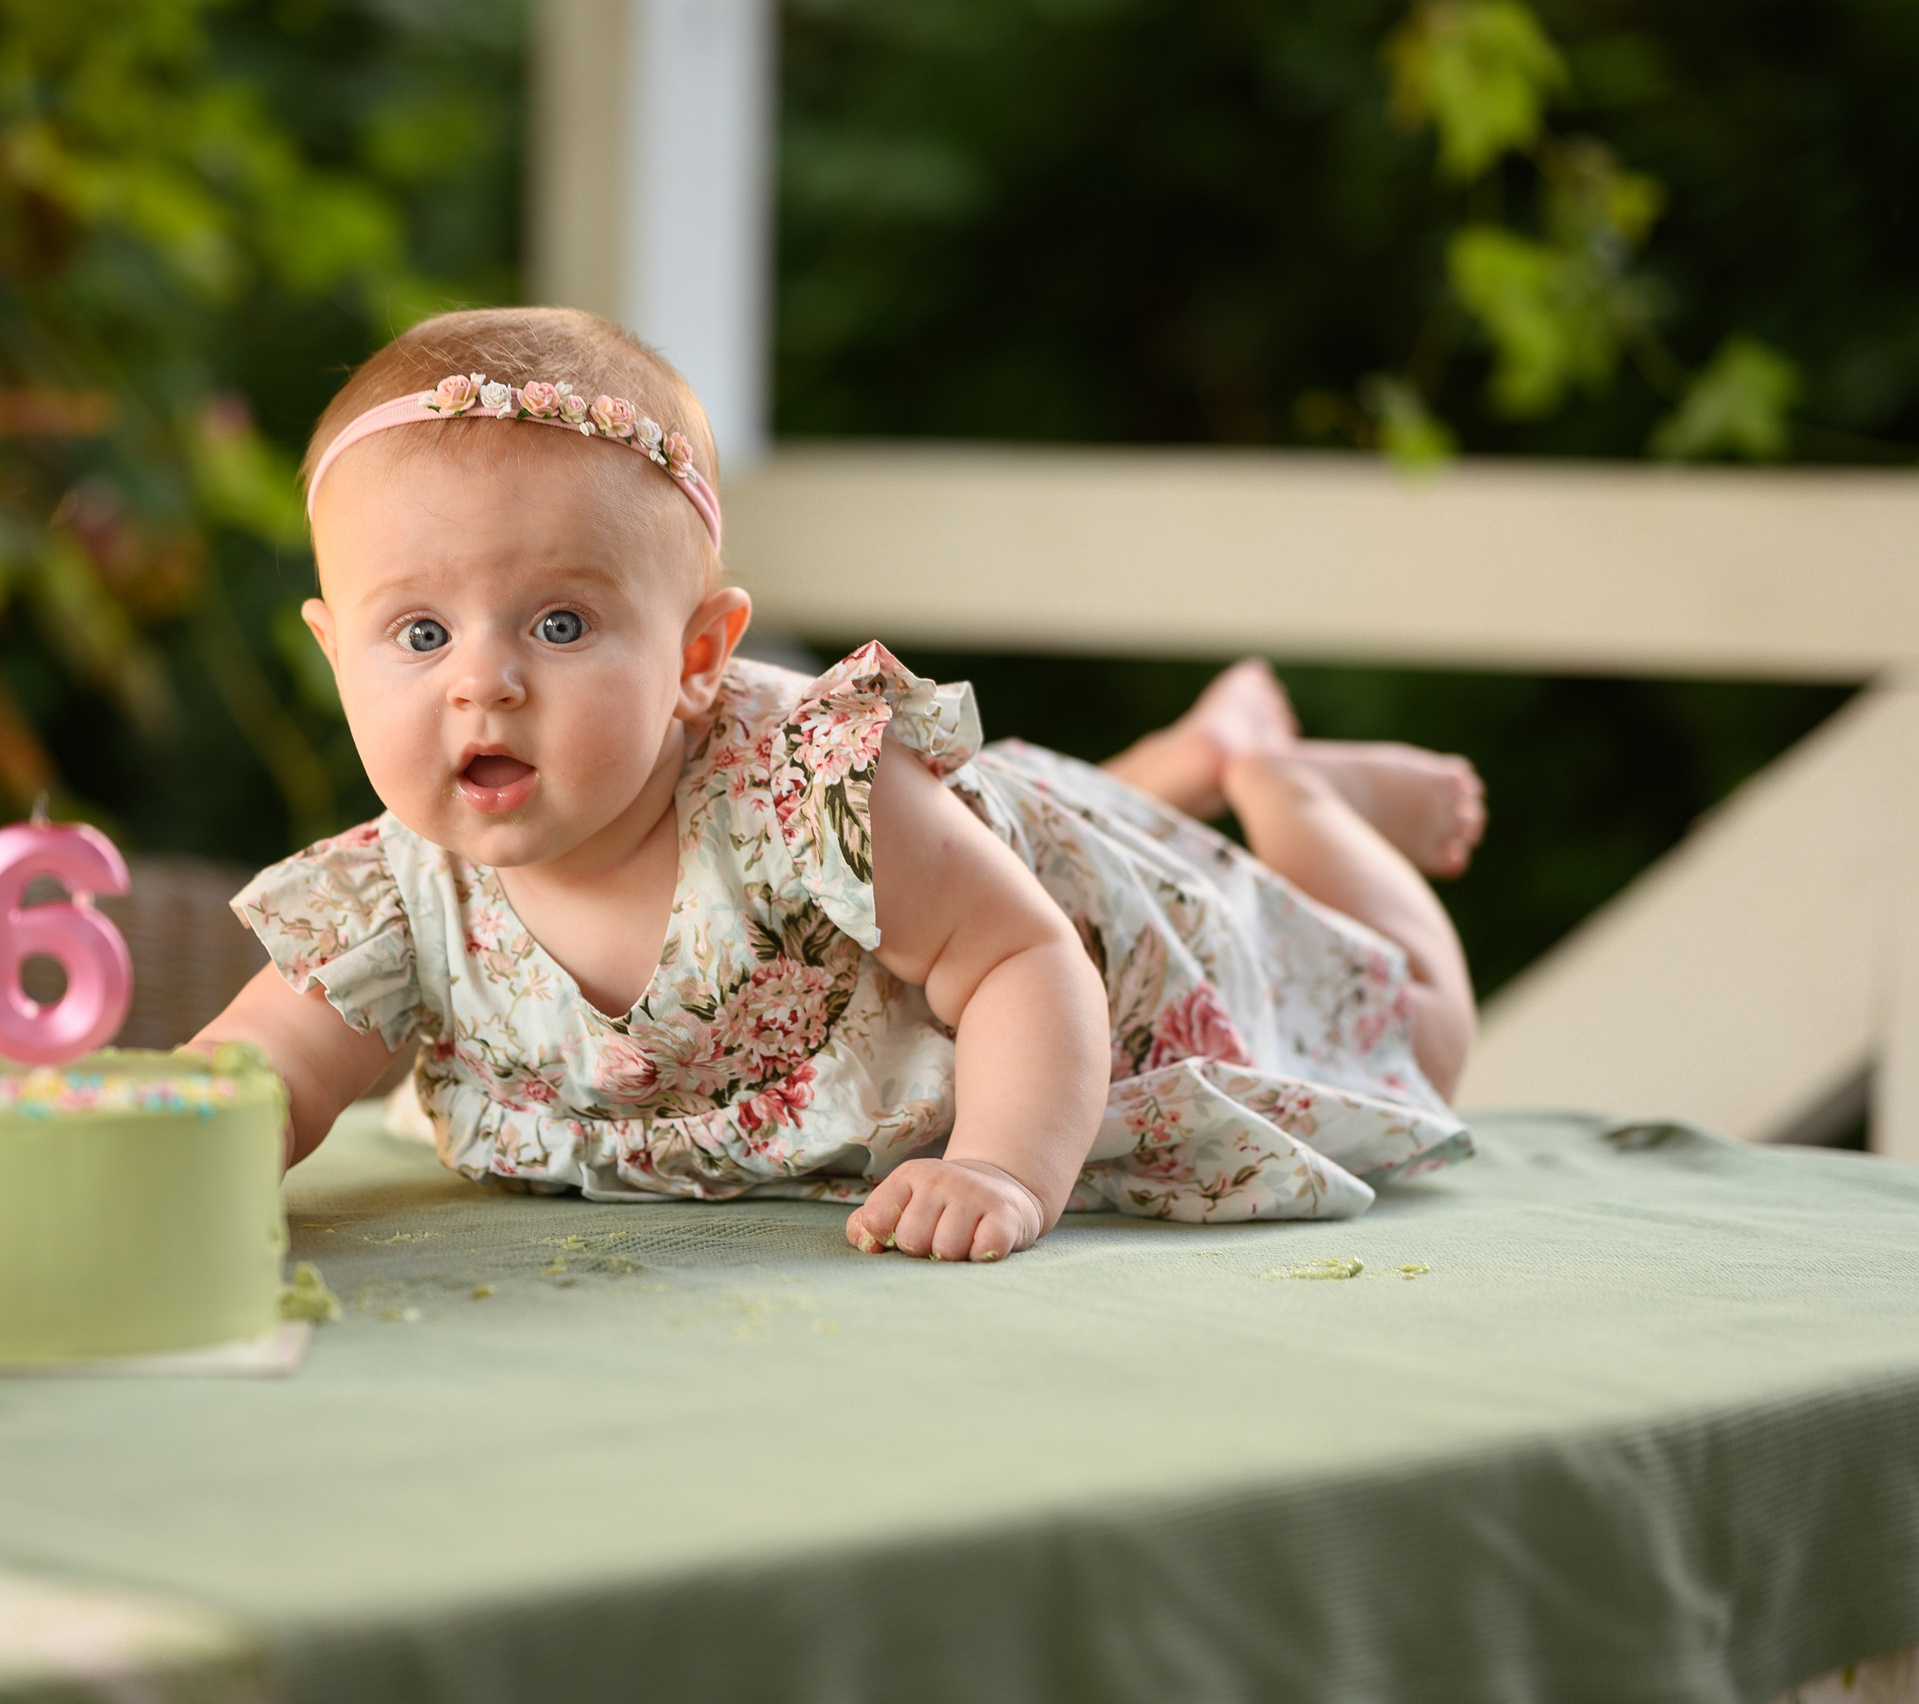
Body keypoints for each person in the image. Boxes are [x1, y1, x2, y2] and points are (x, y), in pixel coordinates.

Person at [192, 306, 1485, 1262]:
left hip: (1085, 936)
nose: (484, 686)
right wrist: (159, 1164)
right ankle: (1192, 757)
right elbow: (266, 1067)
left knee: (1421, 1032)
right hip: (968, 855)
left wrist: (1001, 1167)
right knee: (1018, 814)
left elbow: (1026, 962)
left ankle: (1289, 792)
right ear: (332, 652)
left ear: (700, 655)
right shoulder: (390, 895)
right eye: (419, 635)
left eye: (562, 626)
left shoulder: (813, 802)